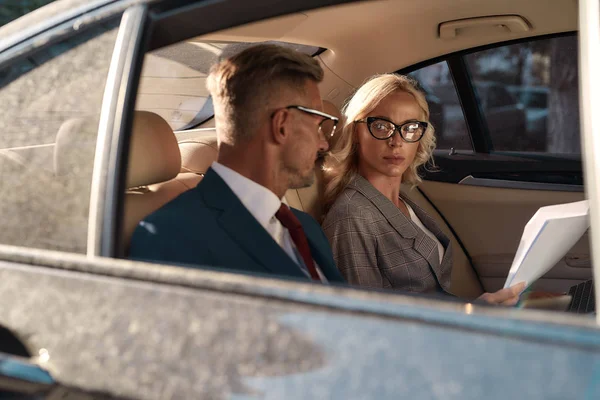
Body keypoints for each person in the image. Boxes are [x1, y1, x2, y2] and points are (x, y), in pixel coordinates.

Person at [129, 44, 344, 283]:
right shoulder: (171, 238)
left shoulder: (306, 227)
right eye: (318, 124)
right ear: (282, 125)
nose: (323, 144)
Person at [321, 74, 524, 304]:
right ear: (356, 132)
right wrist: (473, 313)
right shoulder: (351, 215)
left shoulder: (403, 200)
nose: (397, 141)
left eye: (410, 127)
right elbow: (366, 323)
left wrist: (476, 310)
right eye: (381, 126)